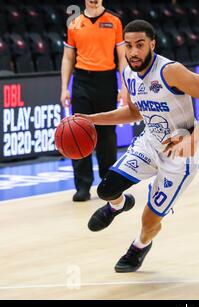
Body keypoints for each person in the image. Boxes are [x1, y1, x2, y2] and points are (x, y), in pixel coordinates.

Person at [76, 20, 199, 273]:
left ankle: (140, 246)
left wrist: (194, 138)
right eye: (129, 46)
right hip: (149, 144)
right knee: (107, 188)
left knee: (150, 218)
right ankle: (119, 204)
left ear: (152, 44)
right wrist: (90, 119)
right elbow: (134, 113)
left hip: (179, 155)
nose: (133, 52)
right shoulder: (128, 74)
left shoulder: (170, 71)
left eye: (140, 45)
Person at [61, 0, 128, 202]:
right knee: (78, 133)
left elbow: (122, 58)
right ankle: (82, 186)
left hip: (106, 80)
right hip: (82, 80)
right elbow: (67, 58)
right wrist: (64, 87)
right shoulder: (74, 23)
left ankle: (108, 182)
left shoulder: (114, 21)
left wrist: (125, 87)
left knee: (107, 133)